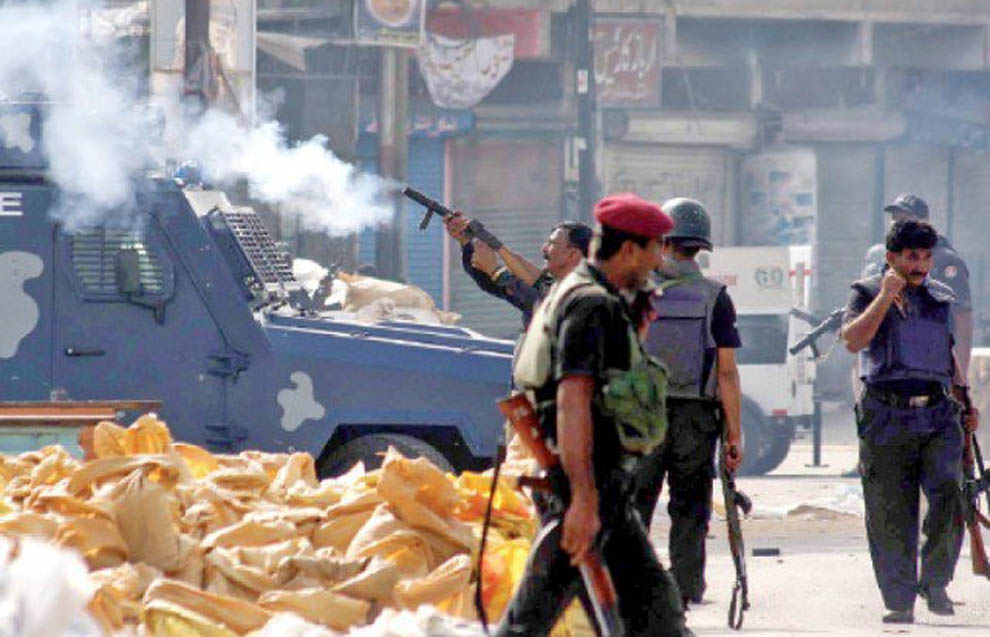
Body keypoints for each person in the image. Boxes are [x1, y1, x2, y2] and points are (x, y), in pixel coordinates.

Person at [498, 193, 691, 636]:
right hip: (588, 486)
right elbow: (574, 399)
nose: (659, 260)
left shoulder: (583, 294)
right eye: (655, 248)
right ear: (630, 250)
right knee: (652, 613)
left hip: (593, 489)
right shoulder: (592, 306)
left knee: (652, 612)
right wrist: (584, 499)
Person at [842, 219, 979, 624]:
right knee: (890, 511)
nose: (920, 265)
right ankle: (899, 599)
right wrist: (886, 295)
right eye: (911, 257)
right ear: (892, 258)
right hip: (886, 413)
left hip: (938, 412)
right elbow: (853, 340)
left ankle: (935, 582)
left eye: (926, 257)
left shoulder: (940, 298)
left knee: (950, 494)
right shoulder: (866, 293)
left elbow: (946, 352)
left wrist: (964, 397)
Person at [634, 197, 744, 607]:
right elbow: (727, 373)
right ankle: (686, 585)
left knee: (635, 505)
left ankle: (632, 585)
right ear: (701, 247)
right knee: (691, 506)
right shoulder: (716, 296)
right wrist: (734, 435)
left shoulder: (633, 293)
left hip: (642, 415)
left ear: (662, 242)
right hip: (696, 419)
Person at [861, 194, 973, 375]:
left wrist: (961, 378)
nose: (896, 224)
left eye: (904, 219)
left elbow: (962, 319)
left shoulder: (945, 261)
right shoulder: (888, 260)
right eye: (894, 218)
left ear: (924, 222)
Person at [444, 214, 592, 328]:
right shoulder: (550, 285)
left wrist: (496, 271)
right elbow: (493, 284)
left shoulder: (584, 296)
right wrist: (467, 243)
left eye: (552, 244)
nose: (544, 249)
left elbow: (538, 304)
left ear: (572, 254)